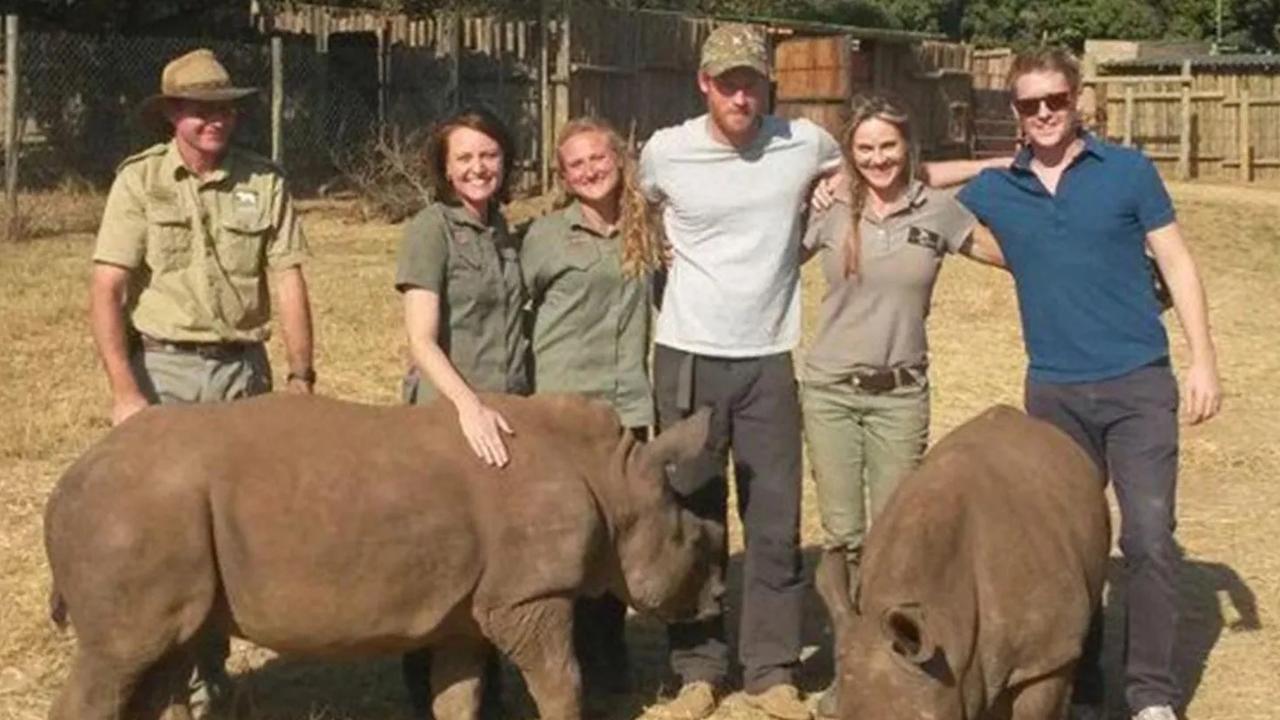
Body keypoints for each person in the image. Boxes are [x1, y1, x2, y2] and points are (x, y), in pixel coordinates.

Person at [954, 48, 1222, 720]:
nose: (1044, 113)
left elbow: (1179, 263)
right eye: (1028, 104)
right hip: (1053, 394)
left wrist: (1204, 361)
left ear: (1080, 100)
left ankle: (1151, 694)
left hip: (1136, 383)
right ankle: (1082, 681)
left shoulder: (1128, 172)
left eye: (1056, 101)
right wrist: (837, 180)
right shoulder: (999, 188)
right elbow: (905, 174)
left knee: (1149, 538)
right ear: (1014, 112)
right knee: (1066, 545)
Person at [88, 47, 315, 719]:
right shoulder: (139, 183)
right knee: (166, 533)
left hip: (244, 369)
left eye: (225, 107)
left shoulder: (264, 180)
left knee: (245, 527)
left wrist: (301, 376)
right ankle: (164, 675)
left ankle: (211, 666)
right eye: (200, 109)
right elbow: (107, 289)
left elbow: (290, 279)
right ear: (173, 115)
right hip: (167, 370)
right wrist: (126, 391)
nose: (216, 120)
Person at [636, 24, 844, 720]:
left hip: (768, 360)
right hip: (688, 357)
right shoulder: (666, 151)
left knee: (775, 520)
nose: (740, 94)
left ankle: (772, 672)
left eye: (751, 80)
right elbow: (633, 205)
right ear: (704, 84)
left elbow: (852, 168)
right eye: (727, 81)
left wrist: (829, 187)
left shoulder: (805, 143)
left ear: (767, 84)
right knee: (694, 522)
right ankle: (698, 669)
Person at [798, 94, 1005, 718]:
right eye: (864, 149)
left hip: (900, 394)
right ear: (848, 154)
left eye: (888, 146)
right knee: (844, 534)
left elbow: (1013, 255)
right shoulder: (829, 207)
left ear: (907, 147)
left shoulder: (938, 211)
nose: (877, 158)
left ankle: (894, 670)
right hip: (831, 389)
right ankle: (850, 673)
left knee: (895, 541)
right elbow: (763, 250)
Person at [521, 117, 664, 698]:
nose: (588, 171)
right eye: (575, 164)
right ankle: (561, 667)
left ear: (620, 159)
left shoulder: (647, 230)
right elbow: (516, 314)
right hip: (559, 414)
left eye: (597, 158)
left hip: (624, 411)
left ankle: (609, 665)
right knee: (562, 544)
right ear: (563, 175)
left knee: (613, 541)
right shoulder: (545, 237)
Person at [394, 106, 525, 719]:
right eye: (465, 158)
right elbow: (421, 339)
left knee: (490, 562)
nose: (479, 167)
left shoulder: (507, 229)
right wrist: (467, 406)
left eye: (488, 155)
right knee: (439, 565)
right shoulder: (431, 229)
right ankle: (426, 699)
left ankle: (482, 696)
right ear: (445, 170)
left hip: (504, 419)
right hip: (447, 421)